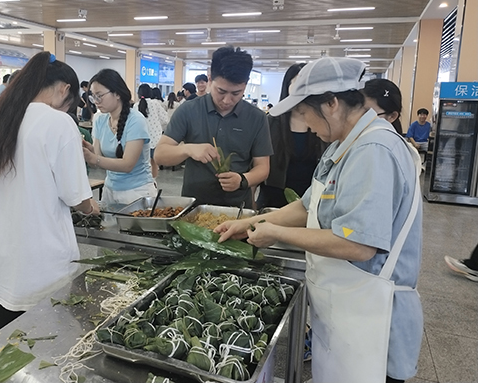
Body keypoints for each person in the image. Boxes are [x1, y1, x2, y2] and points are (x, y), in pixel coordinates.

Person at [217, 57, 423, 383]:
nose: (303, 123)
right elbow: (306, 206)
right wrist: (253, 222)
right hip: (345, 309)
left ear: (332, 103)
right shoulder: (342, 144)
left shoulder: (374, 150)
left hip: (374, 317)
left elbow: (358, 244)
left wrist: (277, 234)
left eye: (303, 112)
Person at [0, 51, 98, 338]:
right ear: (64, 89)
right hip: (40, 268)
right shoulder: (59, 123)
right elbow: (77, 198)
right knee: (42, 352)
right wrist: (93, 207)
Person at [155, 46, 272, 208]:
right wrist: (188, 149)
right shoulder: (188, 110)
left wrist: (242, 180)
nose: (227, 100)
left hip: (238, 210)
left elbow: (263, 167)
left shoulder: (257, 117)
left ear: (245, 85)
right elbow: (160, 155)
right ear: (210, 79)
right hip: (194, 207)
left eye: (236, 93)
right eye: (221, 91)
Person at [82, 69, 156, 205]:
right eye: (93, 96)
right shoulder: (100, 120)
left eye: (100, 95)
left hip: (137, 192)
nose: (96, 101)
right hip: (110, 190)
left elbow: (128, 164)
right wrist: (88, 152)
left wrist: (94, 158)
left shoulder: (135, 120)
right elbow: (97, 160)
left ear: (116, 93)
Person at [259, 63, 325, 209]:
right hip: (275, 195)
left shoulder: (324, 122)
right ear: (287, 86)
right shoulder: (272, 121)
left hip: (314, 196)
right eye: (296, 83)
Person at [137, 84, 168, 178]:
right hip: (155, 139)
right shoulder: (155, 104)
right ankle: (153, 182)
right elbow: (165, 119)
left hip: (140, 139)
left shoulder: (135, 106)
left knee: (143, 163)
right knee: (154, 163)